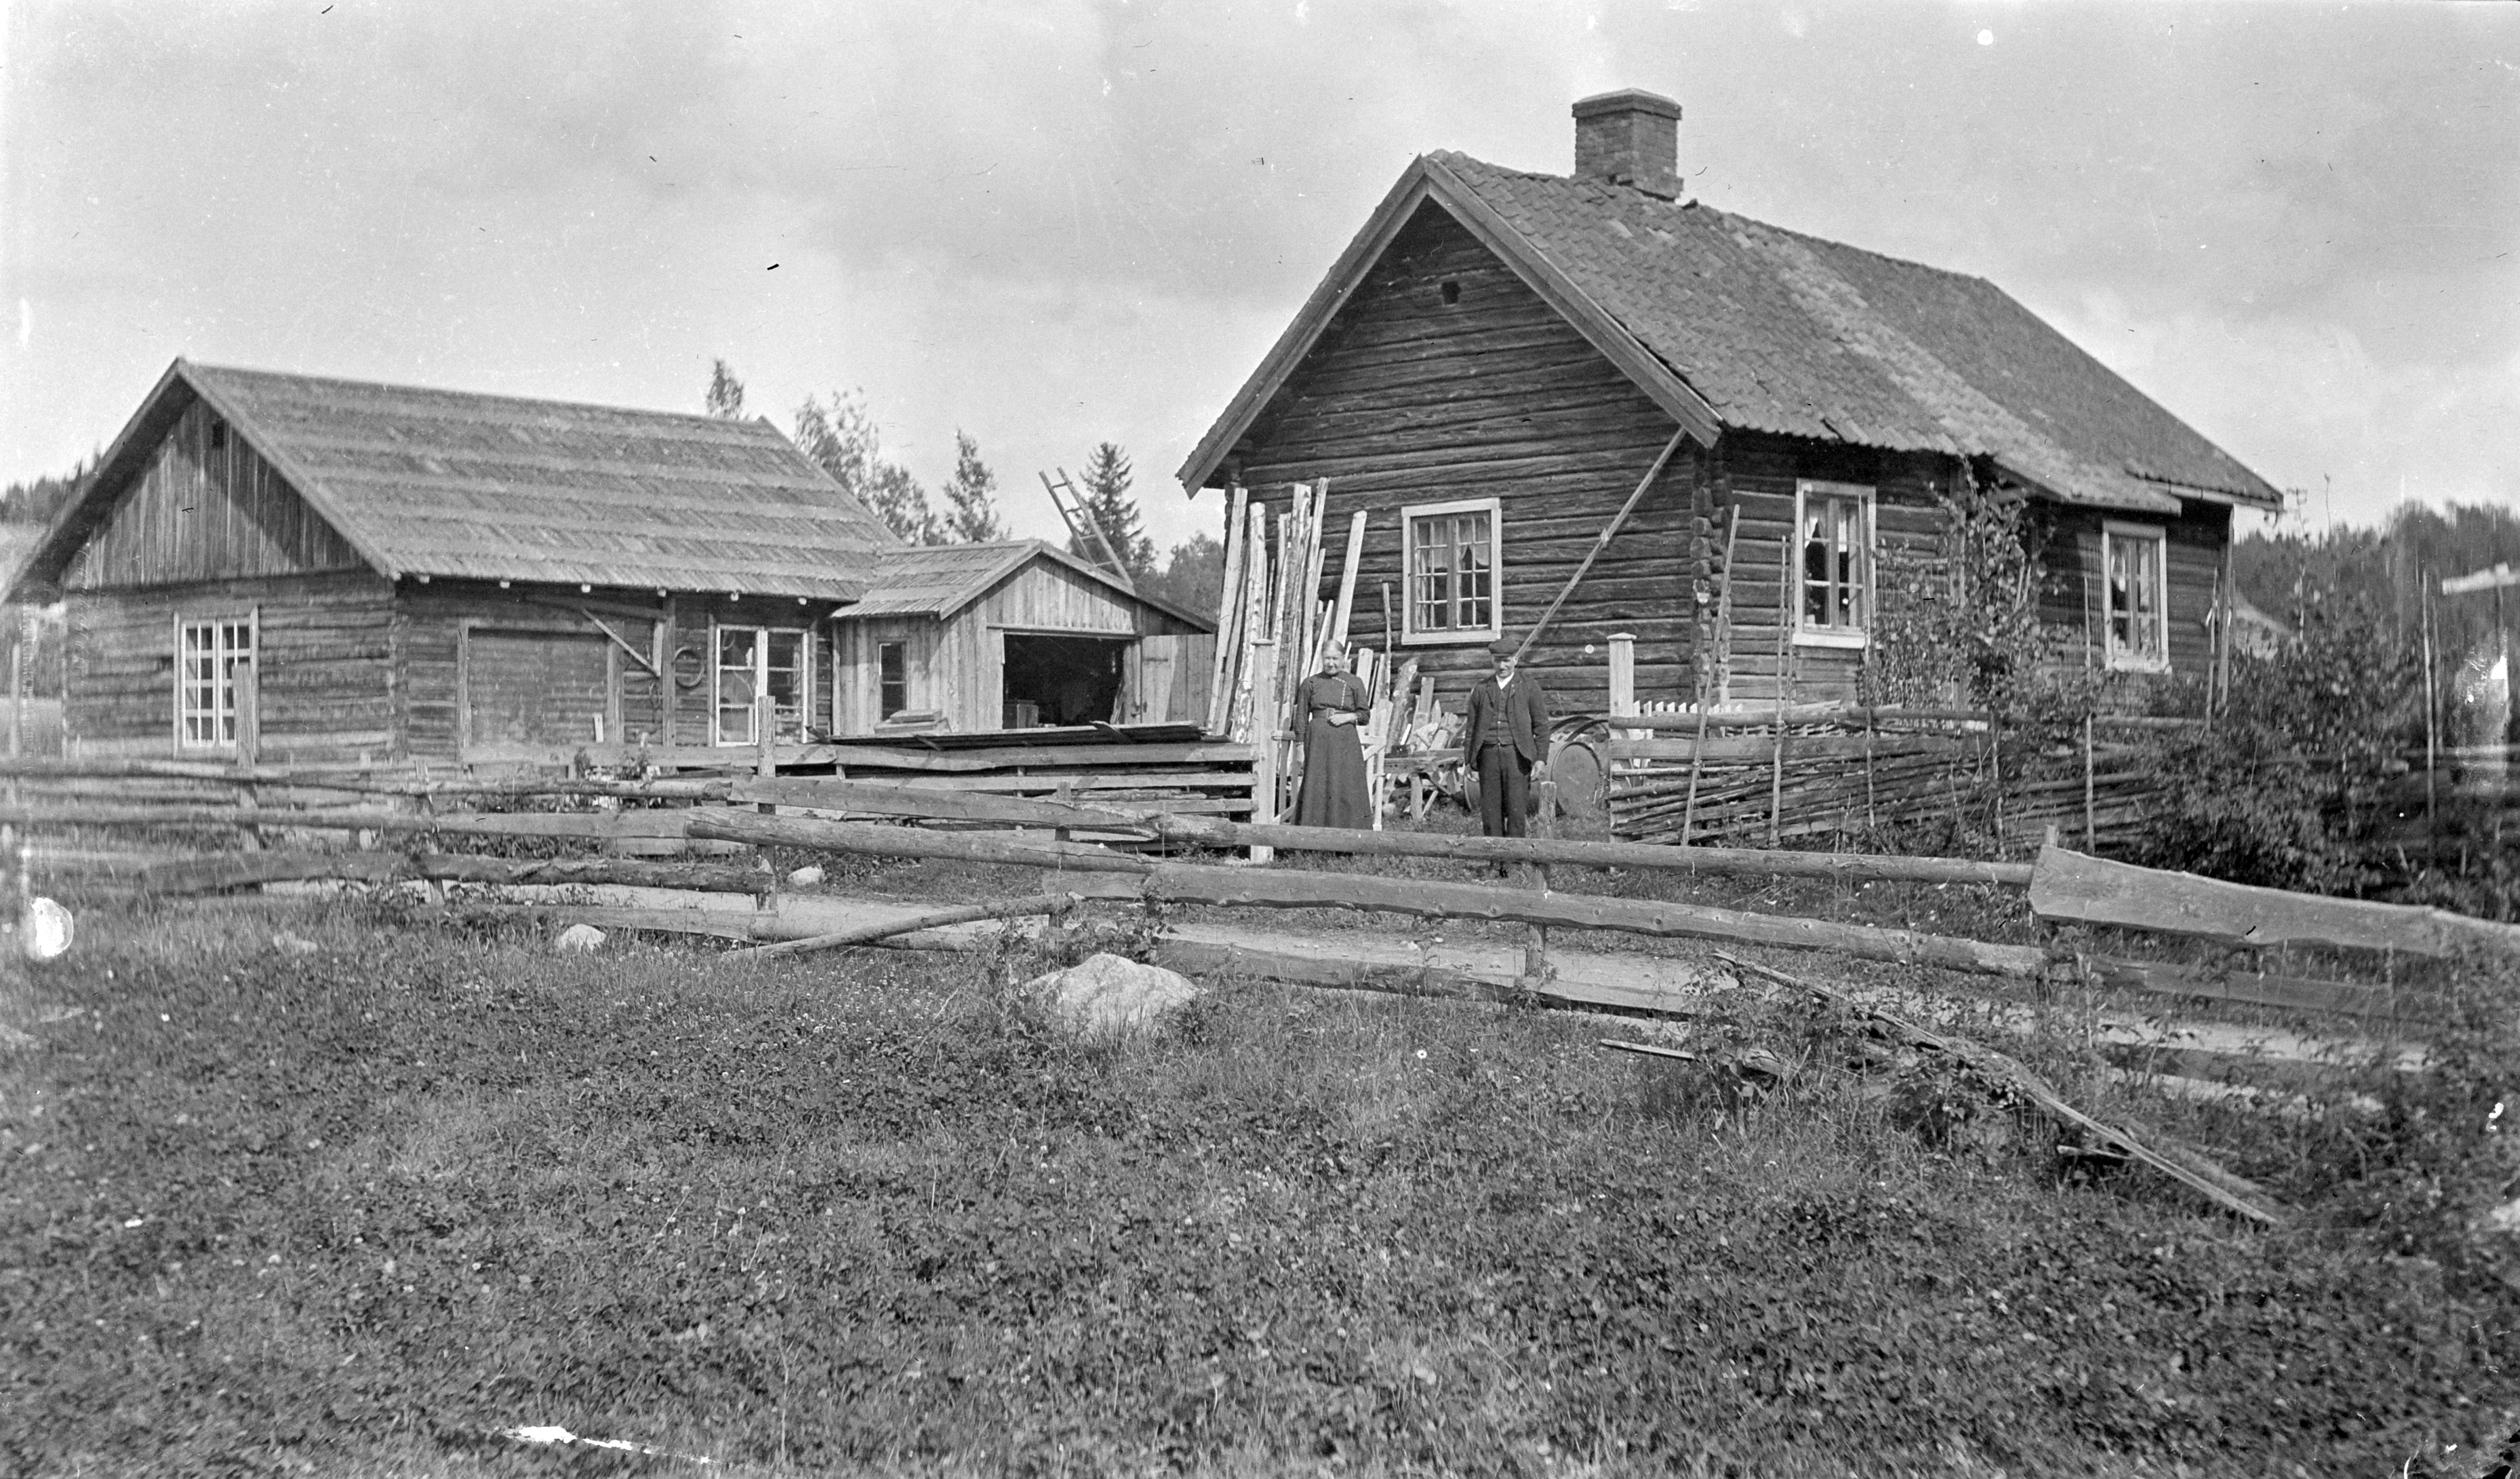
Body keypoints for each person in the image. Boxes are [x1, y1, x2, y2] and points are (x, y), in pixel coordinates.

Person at [1462, 635, 1549, 840]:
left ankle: (1514, 862)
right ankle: (1496, 860)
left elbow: (1542, 726)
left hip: (1517, 757)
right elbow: (1471, 729)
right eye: (1497, 660)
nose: (1502, 666)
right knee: (1491, 812)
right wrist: (1469, 762)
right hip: (1488, 757)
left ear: (1515, 660)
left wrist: (1541, 759)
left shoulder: (1529, 687)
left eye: (1507, 660)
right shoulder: (1482, 689)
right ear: (1492, 661)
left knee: (1517, 810)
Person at [1293, 640, 1372, 829]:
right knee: (1317, 785)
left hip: (1345, 741)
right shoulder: (1310, 683)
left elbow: (1365, 715)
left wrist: (1347, 717)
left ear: (1343, 658)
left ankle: (1350, 837)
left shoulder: (1354, 682)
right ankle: (1312, 837)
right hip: (1318, 741)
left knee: (1346, 784)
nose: (1331, 663)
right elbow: (1301, 717)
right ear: (1322, 658)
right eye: (1327, 658)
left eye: (1335, 658)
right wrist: (1300, 746)